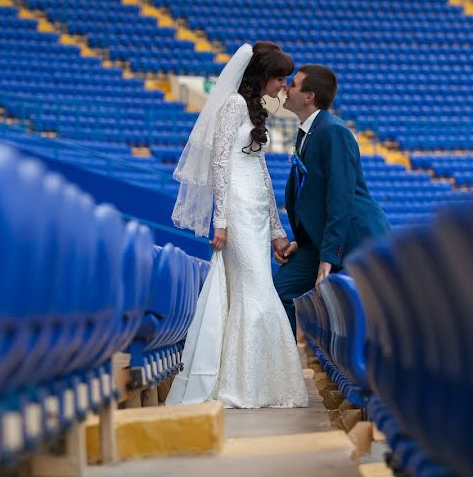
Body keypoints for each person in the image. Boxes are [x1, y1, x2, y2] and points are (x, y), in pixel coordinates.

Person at [166, 42, 308, 408]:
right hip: (238, 212)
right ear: (262, 75)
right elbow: (219, 164)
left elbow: (259, 169)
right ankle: (244, 384)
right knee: (254, 293)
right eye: (279, 77)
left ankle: (259, 382)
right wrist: (222, 220)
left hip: (257, 211)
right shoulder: (232, 106)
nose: (283, 85)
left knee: (258, 291)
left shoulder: (253, 108)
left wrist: (277, 228)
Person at [274, 64, 390, 336]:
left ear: (308, 96)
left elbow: (340, 198)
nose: (286, 88)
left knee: (373, 318)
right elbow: (309, 197)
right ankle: (285, 371)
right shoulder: (308, 132)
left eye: (293, 84)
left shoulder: (333, 131)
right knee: (280, 293)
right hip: (319, 240)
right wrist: (298, 241)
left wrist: (328, 256)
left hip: (354, 239)